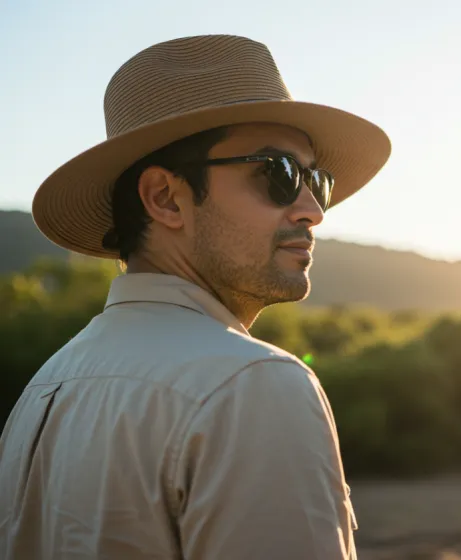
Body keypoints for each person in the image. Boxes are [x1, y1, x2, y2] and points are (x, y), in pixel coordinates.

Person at [0, 34, 390, 559]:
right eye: (279, 174)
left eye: (316, 181)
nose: (313, 209)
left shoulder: (45, 388)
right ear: (165, 198)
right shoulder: (252, 385)